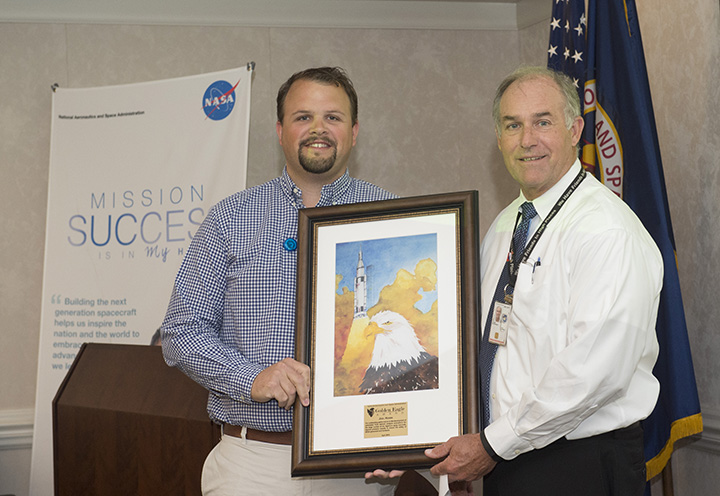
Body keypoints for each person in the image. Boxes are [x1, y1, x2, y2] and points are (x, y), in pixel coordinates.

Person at [372, 66, 664, 495]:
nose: (527, 139)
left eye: (543, 122)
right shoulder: (505, 225)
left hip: (579, 465)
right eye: (513, 125)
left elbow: (592, 374)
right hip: (510, 458)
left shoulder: (606, 231)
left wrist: (492, 444)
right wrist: (414, 443)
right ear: (498, 138)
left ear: (575, 130)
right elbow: (475, 348)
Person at [161, 66, 396, 495]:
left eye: (333, 117)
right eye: (303, 117)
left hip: (356, 468)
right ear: (280, 130)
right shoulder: (230, 218)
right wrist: (250, 379)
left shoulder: (396, 216)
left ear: (355, 131)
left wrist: (405, 438)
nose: (318, 129)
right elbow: (181, 331)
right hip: (252, 464)